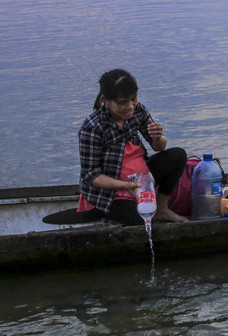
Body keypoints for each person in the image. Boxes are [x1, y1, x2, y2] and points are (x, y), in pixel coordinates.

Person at [78, 69, 189, 225]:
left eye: (133, 99)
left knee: (177, 155)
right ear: (106, 100)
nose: (130, 106)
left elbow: (158, 147)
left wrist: (158, 137)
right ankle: (117, 209)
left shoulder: (138, 111)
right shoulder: (93, 127)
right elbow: (91, 175)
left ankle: (162, 209)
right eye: (122, 102)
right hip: (110, 193)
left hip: (140, 181)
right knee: (140, 219)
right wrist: (125, 186)